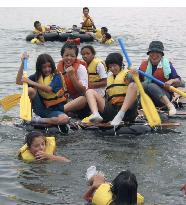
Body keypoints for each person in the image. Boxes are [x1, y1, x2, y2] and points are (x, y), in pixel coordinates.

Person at [85, 52, 138, 126]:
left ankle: (120, 114)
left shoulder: (127, 74)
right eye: (110, 67)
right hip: (112, 111)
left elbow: (135, 79)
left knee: (133, 85)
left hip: (127, 112)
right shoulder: (109, 78)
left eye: (114, 66)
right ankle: (96, 114)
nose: (112, 69)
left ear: (120, 64)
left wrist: (135, 73)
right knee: (89, 92)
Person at [16, 52, 69, 125]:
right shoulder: (37, 75)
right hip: (40, 109)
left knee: (64, 119)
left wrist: (31, 82)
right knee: (29, 90)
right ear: (40, 68)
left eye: (49, 66)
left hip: (55, 110)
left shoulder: (57, 76)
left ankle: (37, 120)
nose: (47, 69)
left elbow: (49, 89)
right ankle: (28, 116)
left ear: (52, 66)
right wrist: (22, 63)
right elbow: (19, 81)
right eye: (44, 67)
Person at [138, 41, 182, 116]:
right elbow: (137, 80)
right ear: (149, 54)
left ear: (161, 54)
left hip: (163, 98)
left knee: (151, 85)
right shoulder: (143, 65)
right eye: (152, 52)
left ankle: (170, 106)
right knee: (140, 85)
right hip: (148, 99)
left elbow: (179, 81)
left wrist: (171, 81)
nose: (154, 55)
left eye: (157, 52)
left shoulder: (167, 66)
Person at [57, 43, 90, 118]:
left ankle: (59, 111)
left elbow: (83, 91)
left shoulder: (81, 68)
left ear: (76, 57)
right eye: (66, 55)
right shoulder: (58, 68)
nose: (69, 58)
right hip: (65, 99)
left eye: (72, 56)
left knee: (83, 99)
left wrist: (72, 76)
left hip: (79, 102)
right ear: (62, 56)